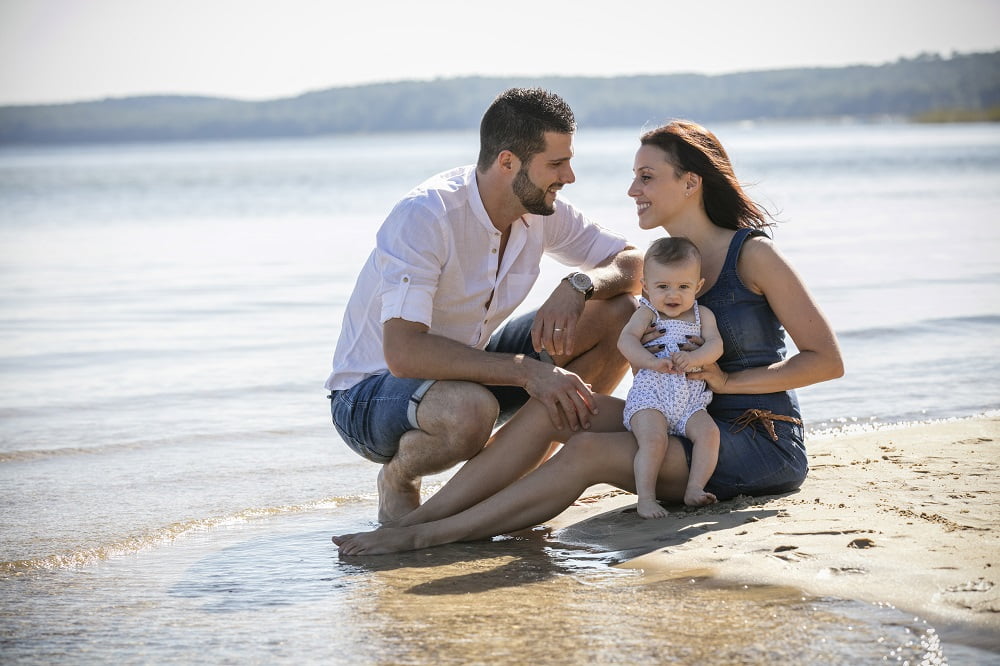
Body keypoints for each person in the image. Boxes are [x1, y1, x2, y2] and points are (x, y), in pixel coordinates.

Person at [332, 119, 844, 556]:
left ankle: (430, 536)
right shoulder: (667, 260)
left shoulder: (752, 256)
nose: (632, 190)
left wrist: (726, 384)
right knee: (560, 405)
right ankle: (412, 524)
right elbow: (631, 275)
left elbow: (826, 361)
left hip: (754, 438)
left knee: (587, 453)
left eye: (646, 177)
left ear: (691, 183)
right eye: (634, 177)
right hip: (675, 416)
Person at [325, 87, 643, 524]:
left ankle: (519, 468)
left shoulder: (541, 209)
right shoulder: (426, 216)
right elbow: (404, 353)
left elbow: (632, 262)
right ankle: (397, 478)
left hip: (469, 366)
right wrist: (531, 372)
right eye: (556, 163)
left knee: (620, 313)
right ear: (507, 161)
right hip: (369, 395)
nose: (569, 176)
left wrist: (580, 283)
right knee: (471, 411)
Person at [618, 237, 723, 518]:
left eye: (683, 287)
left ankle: (694, 488)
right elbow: (625, 341)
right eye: (663, 287)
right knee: (654, 441)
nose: (672, 295)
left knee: (710, 434)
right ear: (646, 286)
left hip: (690, 402)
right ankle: (647, 498)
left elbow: (715, 346)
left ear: (698, 286)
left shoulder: (704, 315)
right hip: (651, 397)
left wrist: (695, 358)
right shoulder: (647, 313)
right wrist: (650, 361)